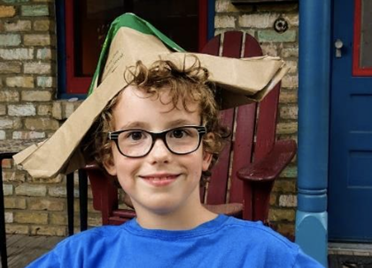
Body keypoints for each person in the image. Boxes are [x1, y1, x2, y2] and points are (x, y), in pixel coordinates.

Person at [26, 58, 323, 267]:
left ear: (206, 151)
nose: (158, 154)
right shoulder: (79, 257)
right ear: (109, 158)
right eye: (135, 135)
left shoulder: (264, 255)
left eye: (179, 132)